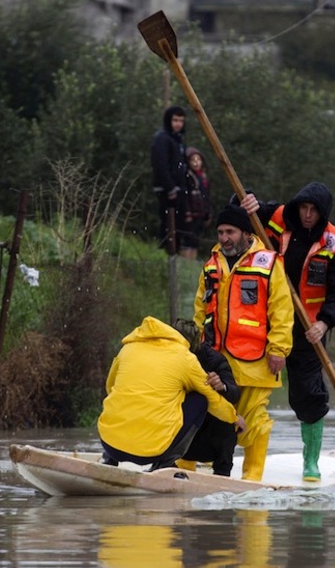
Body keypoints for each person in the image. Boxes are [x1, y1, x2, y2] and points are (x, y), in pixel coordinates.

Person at [241, 183, 335, 482]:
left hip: (308, 329)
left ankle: (311, 461)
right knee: (246, 386)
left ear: (323, 214)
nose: (306, 215)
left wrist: (324, 323)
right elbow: (243, 210)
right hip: (265, 322)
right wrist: (246, 201)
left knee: (307, 394)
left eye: (313, 211)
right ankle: (230, 454)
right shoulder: (279, 217)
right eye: (303, 208)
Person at [193, 203, 294, 482]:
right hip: (214, 359)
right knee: (198, 415)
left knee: (254, 423)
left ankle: (252, 480)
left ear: (246, 233)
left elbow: (282, 311)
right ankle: (181, 473)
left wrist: (278, 349)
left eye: (230, 232)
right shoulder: (211, 264)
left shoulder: (269, 263)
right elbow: (199, 312)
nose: (224, 238)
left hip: (255, 361)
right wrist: (194, 349)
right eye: (220, 232)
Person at [97, 315, 246, 471]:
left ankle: (109, 459)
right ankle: (165, 463)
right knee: (200, 400)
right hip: (153, 452)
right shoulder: (184, 357)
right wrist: (233, 417)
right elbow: (213, 400)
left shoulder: (127, 349)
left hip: (109, 444)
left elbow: (110, 387)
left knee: (119, 396)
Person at [172, 318, 241, 476]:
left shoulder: (213, 359)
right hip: (176, 426)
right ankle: (163, 464)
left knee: (227, 422)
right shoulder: (163, 357)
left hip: (207, 431)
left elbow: (234, 393)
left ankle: (222, 472)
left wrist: (221, 386)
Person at [150, 106, 197, 260]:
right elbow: (160, 165)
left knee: (179, 226)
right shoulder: (162, 138)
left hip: (179, 189)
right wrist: (170, 188)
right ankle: (166, 258)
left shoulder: (177, 140)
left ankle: (173, 259)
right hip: (168, 190)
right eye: (175, 120)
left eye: (181, 121)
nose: (178, 124)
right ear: (169, 120)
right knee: (168, 224)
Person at [185, 146, 212, 252]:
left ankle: (191, 264)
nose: (196, 163)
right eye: (193, 160)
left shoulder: (203, 177)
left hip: (201, 214)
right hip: (190, 214)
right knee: (188, 240)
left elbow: (207, 196)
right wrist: (187, 213)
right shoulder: (187, 176)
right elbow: (185, 197)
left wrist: (208, 213)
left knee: (196, 240)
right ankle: (186, 263)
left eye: (198, 160)